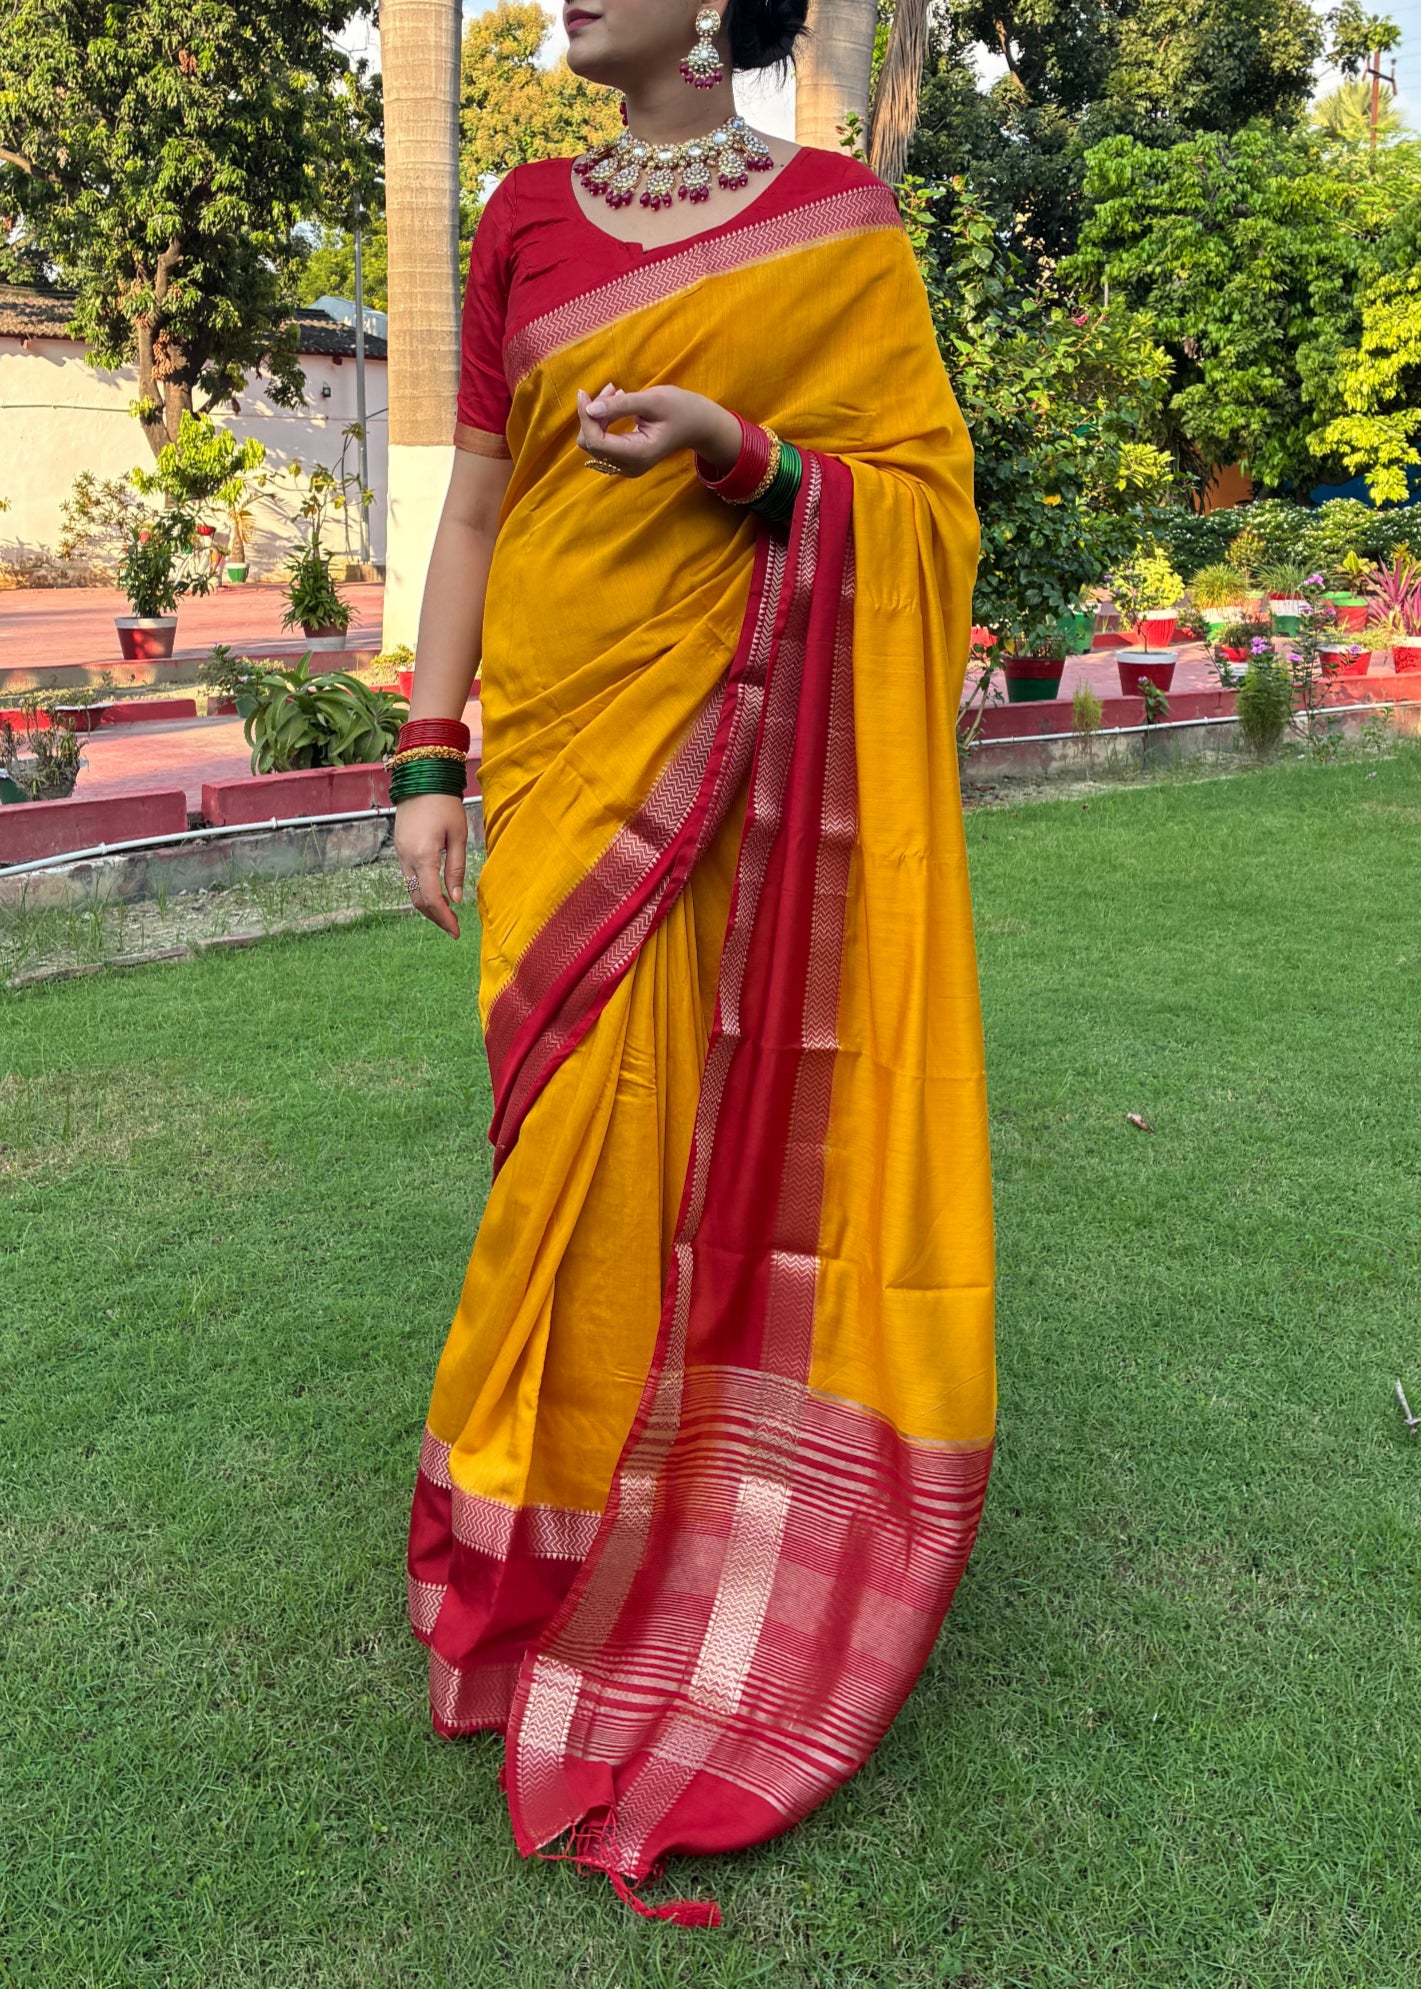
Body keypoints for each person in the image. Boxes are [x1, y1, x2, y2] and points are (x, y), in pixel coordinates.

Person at [394, 0, 996, 1927]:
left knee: (669, 1151)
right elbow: (475, 504)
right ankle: (528, 1542)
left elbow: (924, 512)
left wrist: (747, 454)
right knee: (553, 1167)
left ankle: (648, 1557)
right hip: (555, 752)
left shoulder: (837, 224)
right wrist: (428, 756)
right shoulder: (519, 214)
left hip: (724, 757)